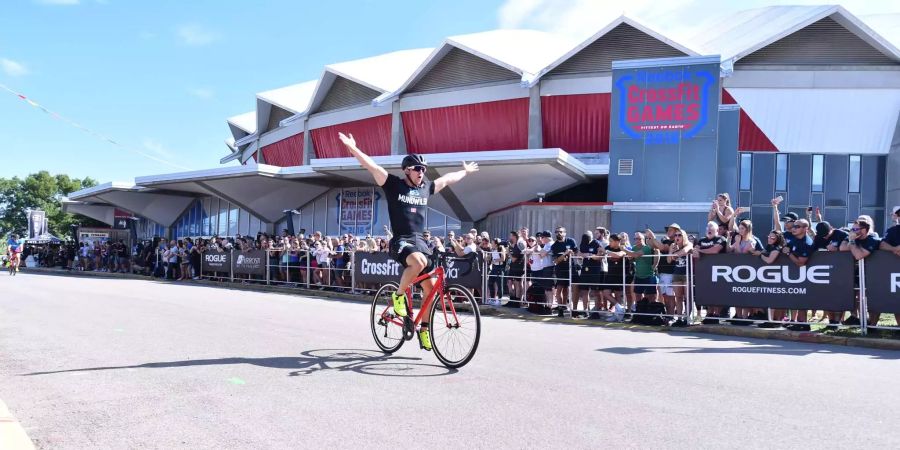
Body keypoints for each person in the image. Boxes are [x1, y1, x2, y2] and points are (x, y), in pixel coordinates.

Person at [339, 132, 478, 351]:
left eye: (424, 169)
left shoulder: (425, 188)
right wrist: (353, 149)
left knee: (431, 290)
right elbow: (372, 167)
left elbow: (447, 179)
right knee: (419, 262)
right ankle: (399, 296)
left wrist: (465, 172)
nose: (422, 172)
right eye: (417, 169)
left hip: (420, 242)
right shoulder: (394, 185)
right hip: (401, 240)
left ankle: (423, 330)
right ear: (407, 170)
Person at [840, 218, 882, 330]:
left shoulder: (872, 238)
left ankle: (873, 324)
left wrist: (852, 242)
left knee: (874, 298)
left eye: (855, 229)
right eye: (852, 229)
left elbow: (859, 255)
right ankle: (856, 318)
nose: (852, 231)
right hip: (858, 272)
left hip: (875, 273)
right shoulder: (852, 236)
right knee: (856, 295)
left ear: (864, 230)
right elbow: (842, 248)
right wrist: (852, 240)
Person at [550, 227, 577, 311]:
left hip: (570, 268)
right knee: (559, 290)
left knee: (567, 289)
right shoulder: (554, 246)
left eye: (561, 232)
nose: (559, 233)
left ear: (565, 233)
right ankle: (560, 307)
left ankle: (564, 306)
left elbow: (576, 252)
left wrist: (572, 253)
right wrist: (565, 254)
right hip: (560, 269)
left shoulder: (571, 241)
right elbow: (556, 261)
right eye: (557, 232)